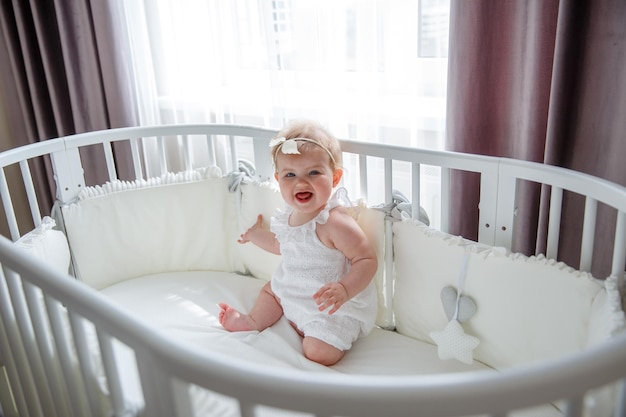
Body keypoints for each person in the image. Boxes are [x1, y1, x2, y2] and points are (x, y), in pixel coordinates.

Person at [218, 120, 378, 366]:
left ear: (334, 178)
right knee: (271, 290)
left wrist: (345, 289)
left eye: (313, 173)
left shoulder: (334, 221)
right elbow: (281, 245)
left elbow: (366, 260)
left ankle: (323, 335)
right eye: (290, 175)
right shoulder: (289, 216)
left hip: (327, 305)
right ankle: (252, 321)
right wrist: (254, 235)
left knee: (318, 351)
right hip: (291, 290)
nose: (301, 182)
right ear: (278, 179)